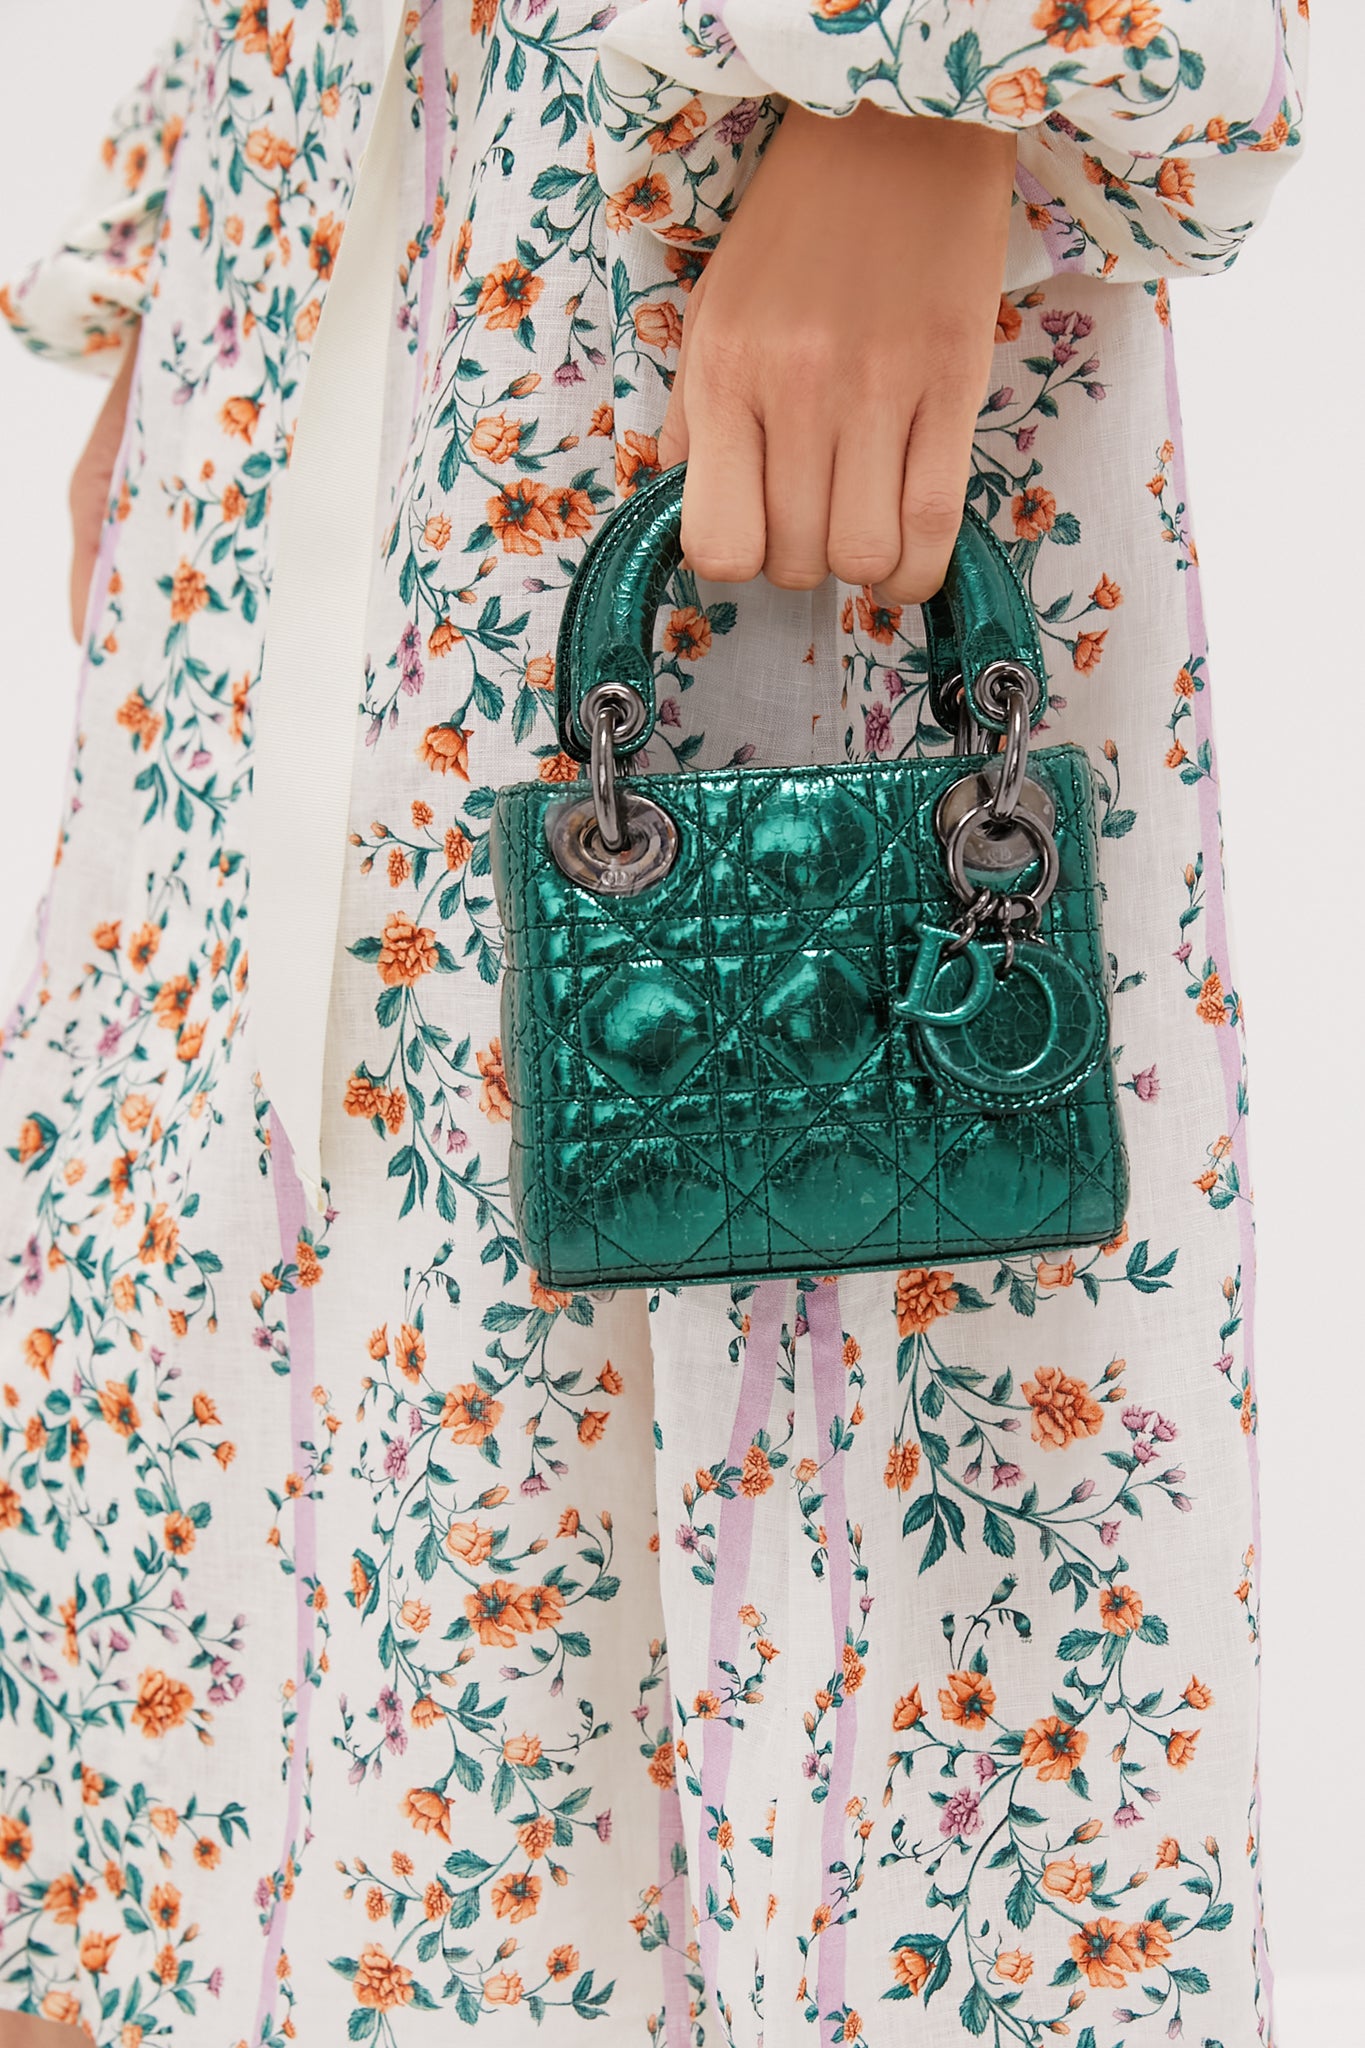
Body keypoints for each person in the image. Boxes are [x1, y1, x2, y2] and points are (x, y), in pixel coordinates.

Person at [0, 3, 1306, 2042]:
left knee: (795, 1450)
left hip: (710, 177)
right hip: (308, 233)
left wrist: (922, 118)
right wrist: (185, 236)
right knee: (255, 1350)